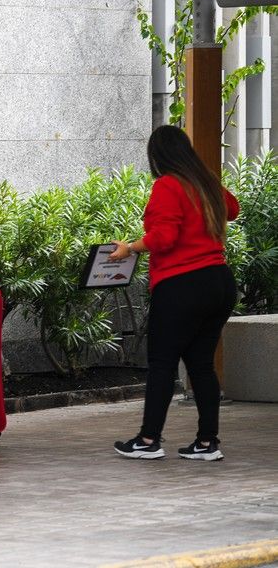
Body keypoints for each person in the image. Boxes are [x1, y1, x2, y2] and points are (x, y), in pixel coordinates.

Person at [111, 125, 239, 462]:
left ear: (158, 156)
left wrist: (129, 248)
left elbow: (164, 236)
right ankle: (207, 443)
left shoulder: (169, 185)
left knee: (162, 364)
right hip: (219, 282)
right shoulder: (205, 182)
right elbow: (233, 208)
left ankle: (148, 439)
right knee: (201, 366)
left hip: (182, 284)